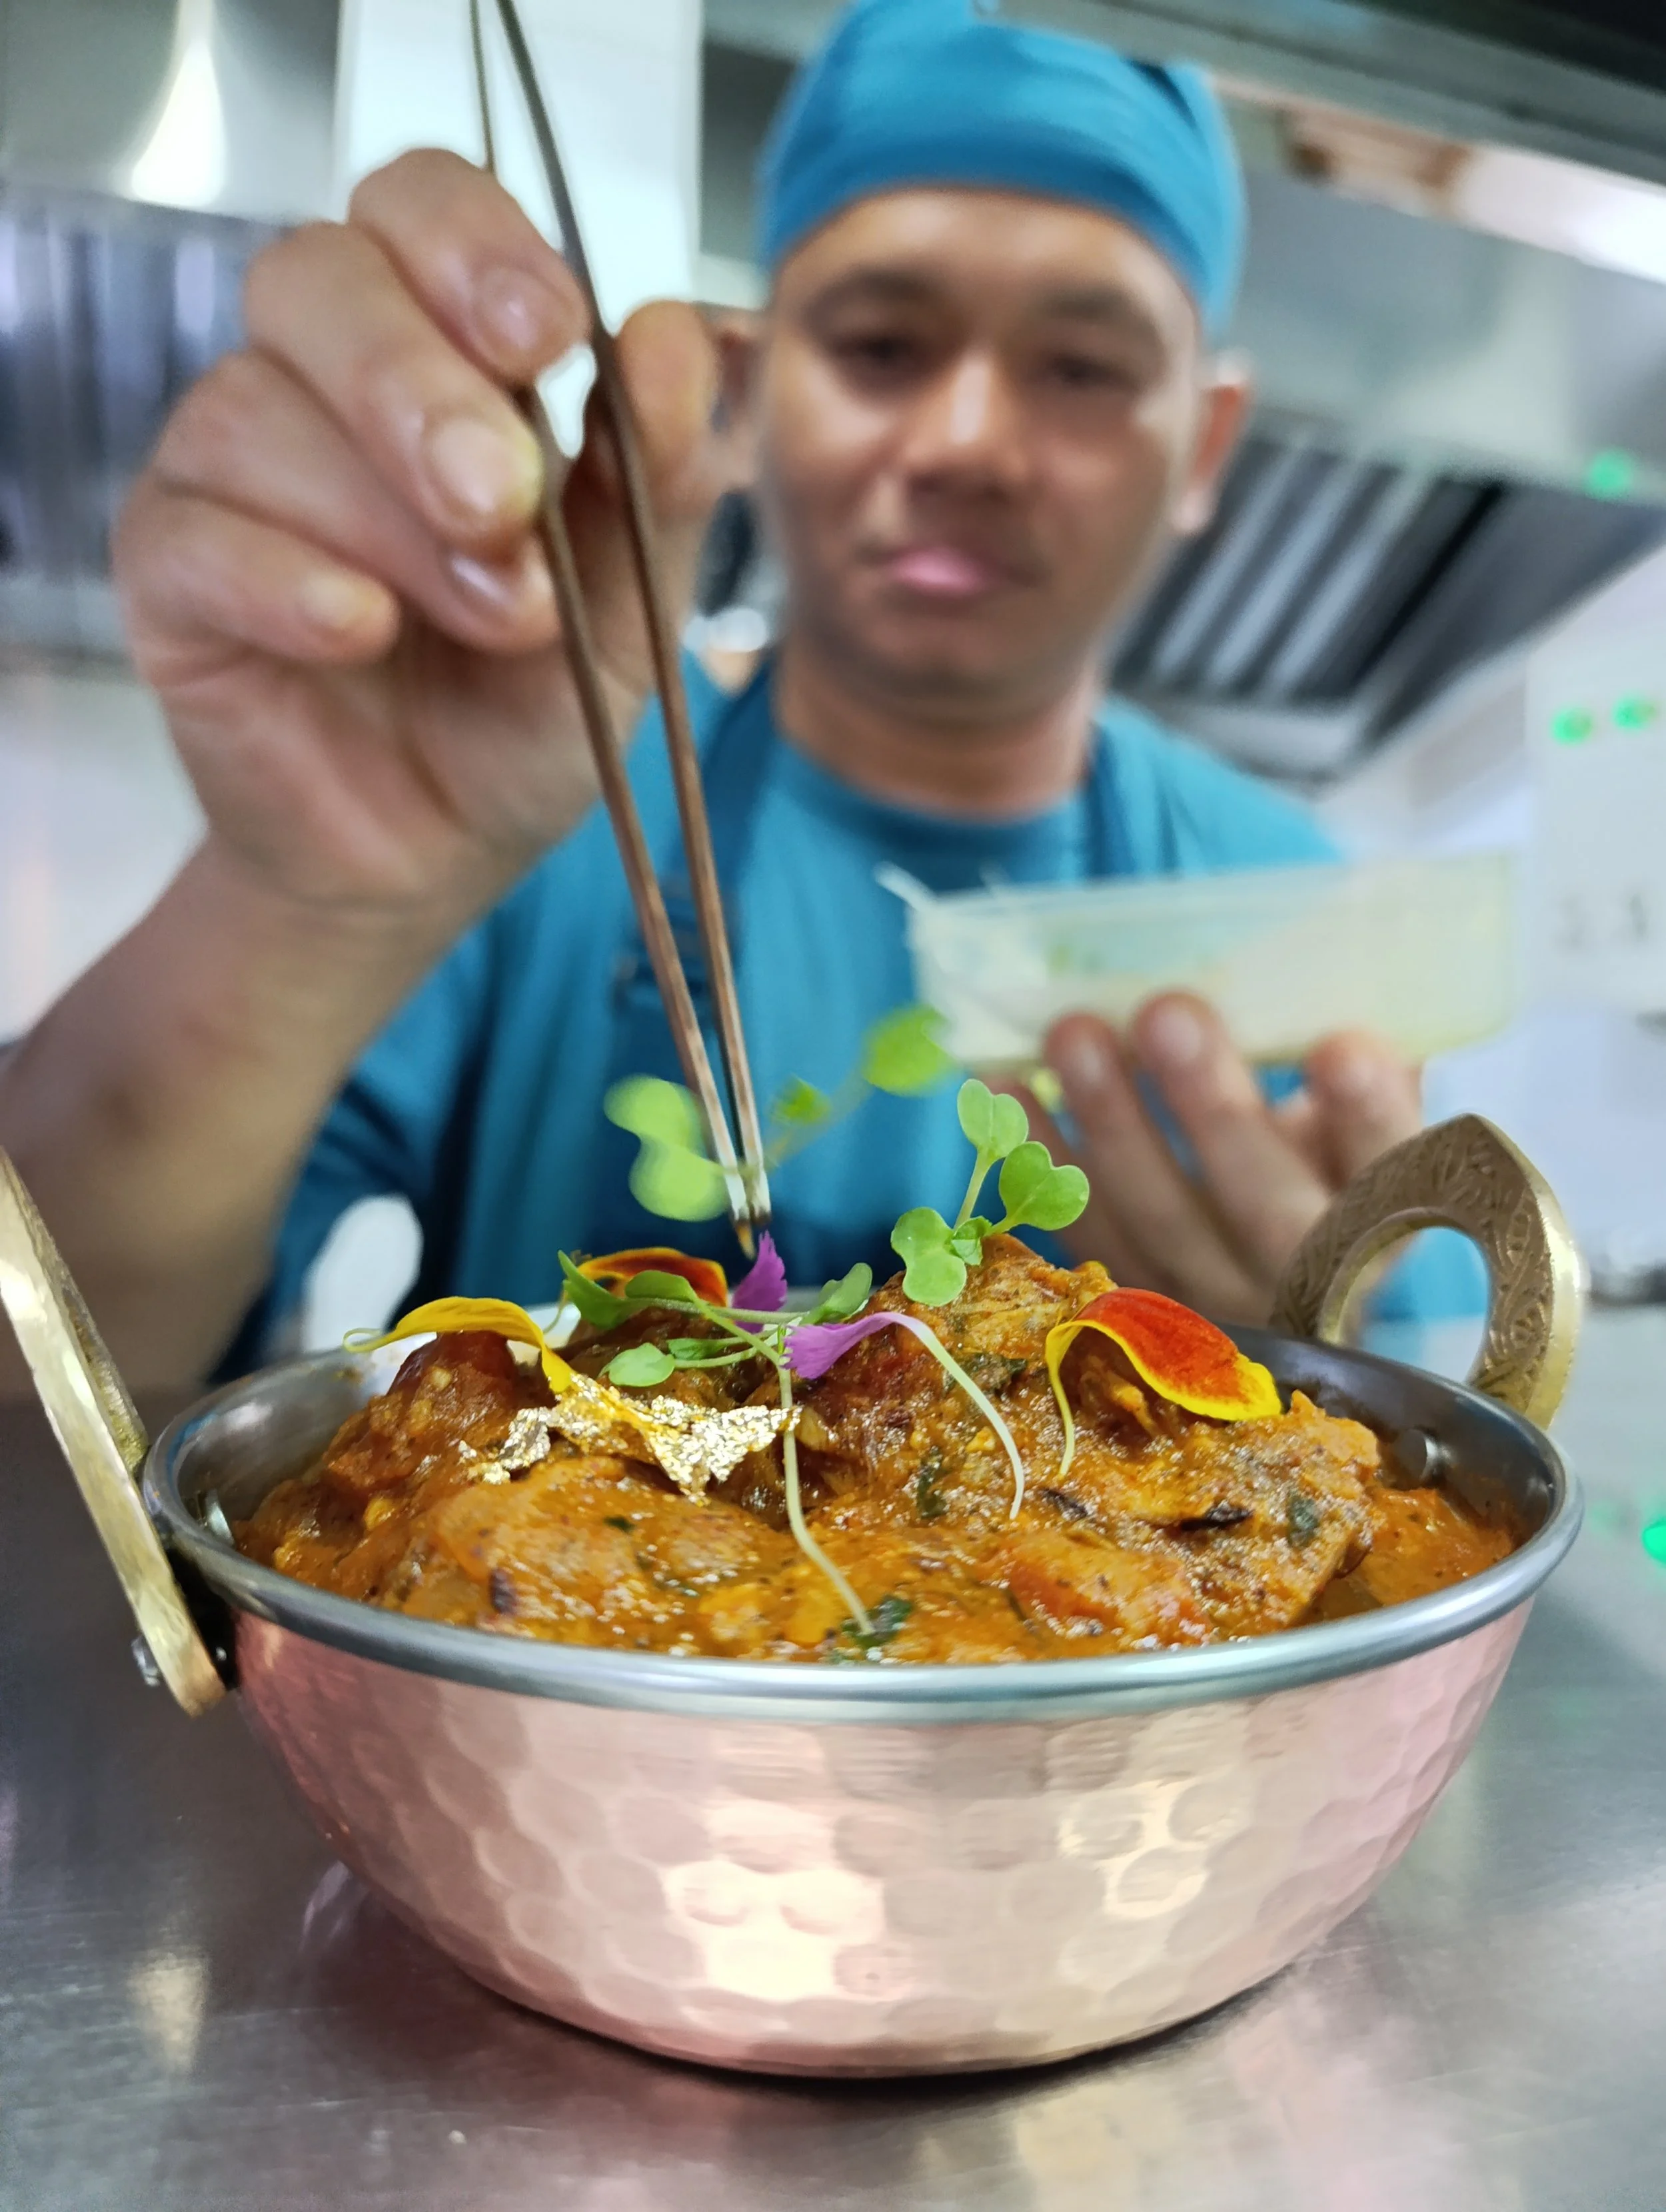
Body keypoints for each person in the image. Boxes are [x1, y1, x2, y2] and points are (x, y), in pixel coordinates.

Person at [0, 0, 1468, 1390]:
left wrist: (1297, 1364)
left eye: (1081, 367)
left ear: (1204, 443)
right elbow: (53, 1391)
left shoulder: (1288, 900)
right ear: (749, 388)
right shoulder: (546, 805)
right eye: (882, 346)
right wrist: (295, 911)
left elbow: (1419, 1435)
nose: (966, 440)